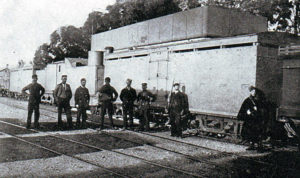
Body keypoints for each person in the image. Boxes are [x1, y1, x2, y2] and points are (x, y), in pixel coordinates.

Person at [237, 86, 268, 151]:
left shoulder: (258, 100)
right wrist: (247, 112)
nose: (253, 93)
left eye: (254, 91)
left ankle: (260, 145)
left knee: (258, 133)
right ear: (250, 92)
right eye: (252, 91)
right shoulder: (247, 100)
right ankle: (252, 145)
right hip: (250, 120)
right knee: (250, 133)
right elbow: (243, 109)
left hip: (257, 120)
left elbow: (262, 109)